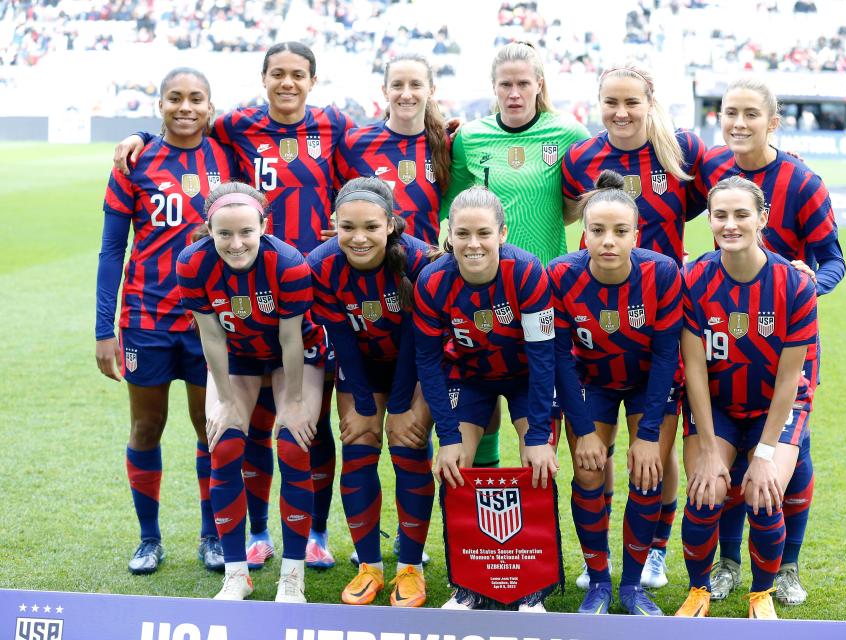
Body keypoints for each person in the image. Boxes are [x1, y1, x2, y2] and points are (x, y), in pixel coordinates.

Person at [114, 42, 353, 570]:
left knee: (308, 427)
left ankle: (316, 532)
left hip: (312, 290)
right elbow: (184, 129)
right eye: (277, 74)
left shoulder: (335, 124)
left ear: (313, 80)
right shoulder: (238, 128)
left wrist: (439, 125)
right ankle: (255, 531)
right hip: (238, 294)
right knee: (253, 425)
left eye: (297, 74)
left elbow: (382, 144)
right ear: (262, 79)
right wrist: (144, 137)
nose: (287, 83)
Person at [695, 77, 845, 605]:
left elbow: (834, 260)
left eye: (750, 114)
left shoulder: (803, 181)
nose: (738, 123)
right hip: (725, 331)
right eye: (729, 112)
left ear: (772, 121)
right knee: (732, 453)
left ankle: (788, 567)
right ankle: (729, 562)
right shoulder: (714, 168)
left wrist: (809, 280)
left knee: (789, 449)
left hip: (787, 338)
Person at [561, 64, 706, 591]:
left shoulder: (681, 148)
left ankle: (655, 553)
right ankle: (596, 561)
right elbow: (565, 214)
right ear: (597, 103)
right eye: (610, 102)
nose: (621, 113)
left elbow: (732, 199)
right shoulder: (580, 157)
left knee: (658, 456)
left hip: (662, 314)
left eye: (632, 102)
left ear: (650, 101)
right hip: (596, 322)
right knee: (593, 458)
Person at [96, 67, 236, 575]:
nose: (185, 107)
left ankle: (212, 536)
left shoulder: (227, 153)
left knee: (210, 428)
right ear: (159, 104)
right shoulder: (136, 161)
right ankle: (149, 539)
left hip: (211, 321)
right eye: (174, 98)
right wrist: (102, 329)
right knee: (147, 425)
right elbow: (113, 249)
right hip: (146, 319)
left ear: (210, 106)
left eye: (196, 98)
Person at [440, 40, 589, 474]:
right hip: (482, 294)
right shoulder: (469, 137)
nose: (515, 93)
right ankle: (485, 508)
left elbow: (596, 190)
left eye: (524, 83)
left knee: (541, 398)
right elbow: (450, 203)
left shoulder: (568, 132)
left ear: (539, 84)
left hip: (545, 292)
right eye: (506, 84)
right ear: (494, 86)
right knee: (481, 398)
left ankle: (536, 523)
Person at [675, 176, 818, 620]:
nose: (730, 224)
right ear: (710, 220)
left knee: (764, 488)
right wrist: (708, 448)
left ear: (763, 218)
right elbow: (694, 370)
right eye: (720, 215)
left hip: (776, 405)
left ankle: (761, 594)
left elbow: (790, 380)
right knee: (706, 489)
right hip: (716, 406)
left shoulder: (794, 284)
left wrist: (765, 452)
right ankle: (698, 589)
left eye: (741, 215)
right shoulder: (694, 278)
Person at [176, 181, 325, 602]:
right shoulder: (192, 263)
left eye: (246, 232)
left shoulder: (289, 263)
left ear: (264, 225)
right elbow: (210, 335)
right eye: (224, 234)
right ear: (209, 229)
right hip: (237, 355)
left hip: (292, 355)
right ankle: (236, 573)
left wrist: (294, 403)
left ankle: (292, 577)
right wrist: (223, 399)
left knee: (294, 444)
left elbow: (292, 340)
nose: (236, 243)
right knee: (222, 445)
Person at [414, 187, 558, 613]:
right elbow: (428, 361)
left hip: (525, 376)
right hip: (469, 376)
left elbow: (543, 355)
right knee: (455, 467)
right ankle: (469, 583)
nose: (473, 244)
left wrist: (539, 435)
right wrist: (447, 435)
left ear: (502, 233)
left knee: (539, 462)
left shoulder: (528, 272)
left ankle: (533, 584)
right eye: (462, 234)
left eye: (483, 233)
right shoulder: (433, 281)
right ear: (449, 235)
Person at [549, 171, 682, 616]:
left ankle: (632, 586)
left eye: (620, 231)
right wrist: (584, 431)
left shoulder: (662, 272)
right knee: (588, 473)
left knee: (648, 472)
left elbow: (666, 358)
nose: (609, 240)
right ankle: (599, 583)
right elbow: (561, 361)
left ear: (636, 234)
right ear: (582, 232)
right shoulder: (561, 275)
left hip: (648, 383)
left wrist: (647, 435)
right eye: (598, 230)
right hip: (591, 382)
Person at [307, 177, 433, 607]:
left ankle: (410, 569)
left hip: (414, 367)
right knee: (358, 440)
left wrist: (400, 406)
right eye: (347, 227)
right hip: (360, 367)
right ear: (334, 224)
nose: (358, 238)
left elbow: (420, 343)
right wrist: (363, 402)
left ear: (392, 224)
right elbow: (340, 339)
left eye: (371, 227)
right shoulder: (322, 265)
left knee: (408, 443)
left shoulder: (418, 261)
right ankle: (369, 567)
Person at [336, 53, 450, 245]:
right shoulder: (355, 143)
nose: (406, 94)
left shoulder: (446, 144)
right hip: (370, 268)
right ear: (385, 90)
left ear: (431, 90)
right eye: (397, 85)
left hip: (424, 268)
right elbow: (329, 201)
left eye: (415, 84)